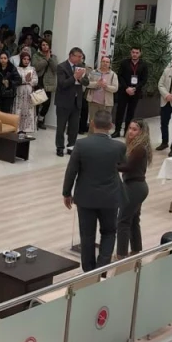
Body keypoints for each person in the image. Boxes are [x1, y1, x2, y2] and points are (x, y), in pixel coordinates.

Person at [62, 110, 125, 272]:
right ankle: (101, 269)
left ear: (92, 124)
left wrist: (67, 193)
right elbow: (124, 166)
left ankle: (88, 272)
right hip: (110, 198)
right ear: (111, 126)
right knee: (109, 233)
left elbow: (71, 171)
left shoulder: (81, 145)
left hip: (85, 197)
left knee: (87, 235)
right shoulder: (119, 147)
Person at [117, 119, 152, 259]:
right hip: (138, 187)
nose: (130, 132)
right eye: (130, 128)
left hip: (134, 187)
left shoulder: (139, 148)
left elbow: (127, 167)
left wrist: (109, 164)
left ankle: (121, 255)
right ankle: (136, 250)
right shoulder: (136, 146)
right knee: (133, 219)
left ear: (141, 132)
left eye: (134, 129)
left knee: (123, 221)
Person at [54, 48, 91, 157]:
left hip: (76, 101)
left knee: (74, 127)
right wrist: (74, 77)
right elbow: (62, 84)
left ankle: (71, 146)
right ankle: (60, 147)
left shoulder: (81, 67)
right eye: (78, 56)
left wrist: (80, 79)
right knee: (61, 127)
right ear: (71, 56)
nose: (80, 59)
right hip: (63, 101)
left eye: (81, 57)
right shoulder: (61, 67)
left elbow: (86, 82)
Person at [113, 47, 149, 138]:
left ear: (140, 53)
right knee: (120, 111)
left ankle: (127, 131)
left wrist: (135, 88)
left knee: (131, 112)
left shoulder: (144, 64)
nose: (135, 54)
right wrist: (126, 88)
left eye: (137, 52)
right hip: (124, 91)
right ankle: (117, 131)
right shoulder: (124, 63)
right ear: (130, 53)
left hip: (135, 92)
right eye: (133, 52)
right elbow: (120, 76)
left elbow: (144, 79)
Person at [85, 55, 118, 125]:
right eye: (103, 61)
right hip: (93, 102)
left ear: (109, 64)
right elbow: (87, 84)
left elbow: (115, 88)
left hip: (106, 104)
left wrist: (106, 86)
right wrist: (97, 83)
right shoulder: (94, 72)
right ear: (100, 62)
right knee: (92, 122)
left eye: (107, 62)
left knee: (104, 124)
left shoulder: (113, 75)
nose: (105, 63)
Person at [32, 40, 57, 129]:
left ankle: (41, 120)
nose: (45, 46)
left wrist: (49, 58)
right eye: (43, 45)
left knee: (47, 103)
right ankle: (34, 121)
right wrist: (45, 59)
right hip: (39, 81)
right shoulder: (36, 56)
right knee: (37, 102)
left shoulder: (53, 57)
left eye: (47, 44)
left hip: (48, 83)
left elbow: (55, 68)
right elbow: (36, 67)